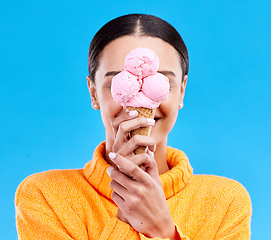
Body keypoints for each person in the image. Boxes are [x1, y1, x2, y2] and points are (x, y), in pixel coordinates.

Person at [15, 14, 252, 240]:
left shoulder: (226, 201)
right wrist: (129, 213)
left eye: (161, 82)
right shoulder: (44, 196)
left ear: (181, 90)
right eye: (118, 82)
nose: (139, 100)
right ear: (94, 92)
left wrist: (164, 230)